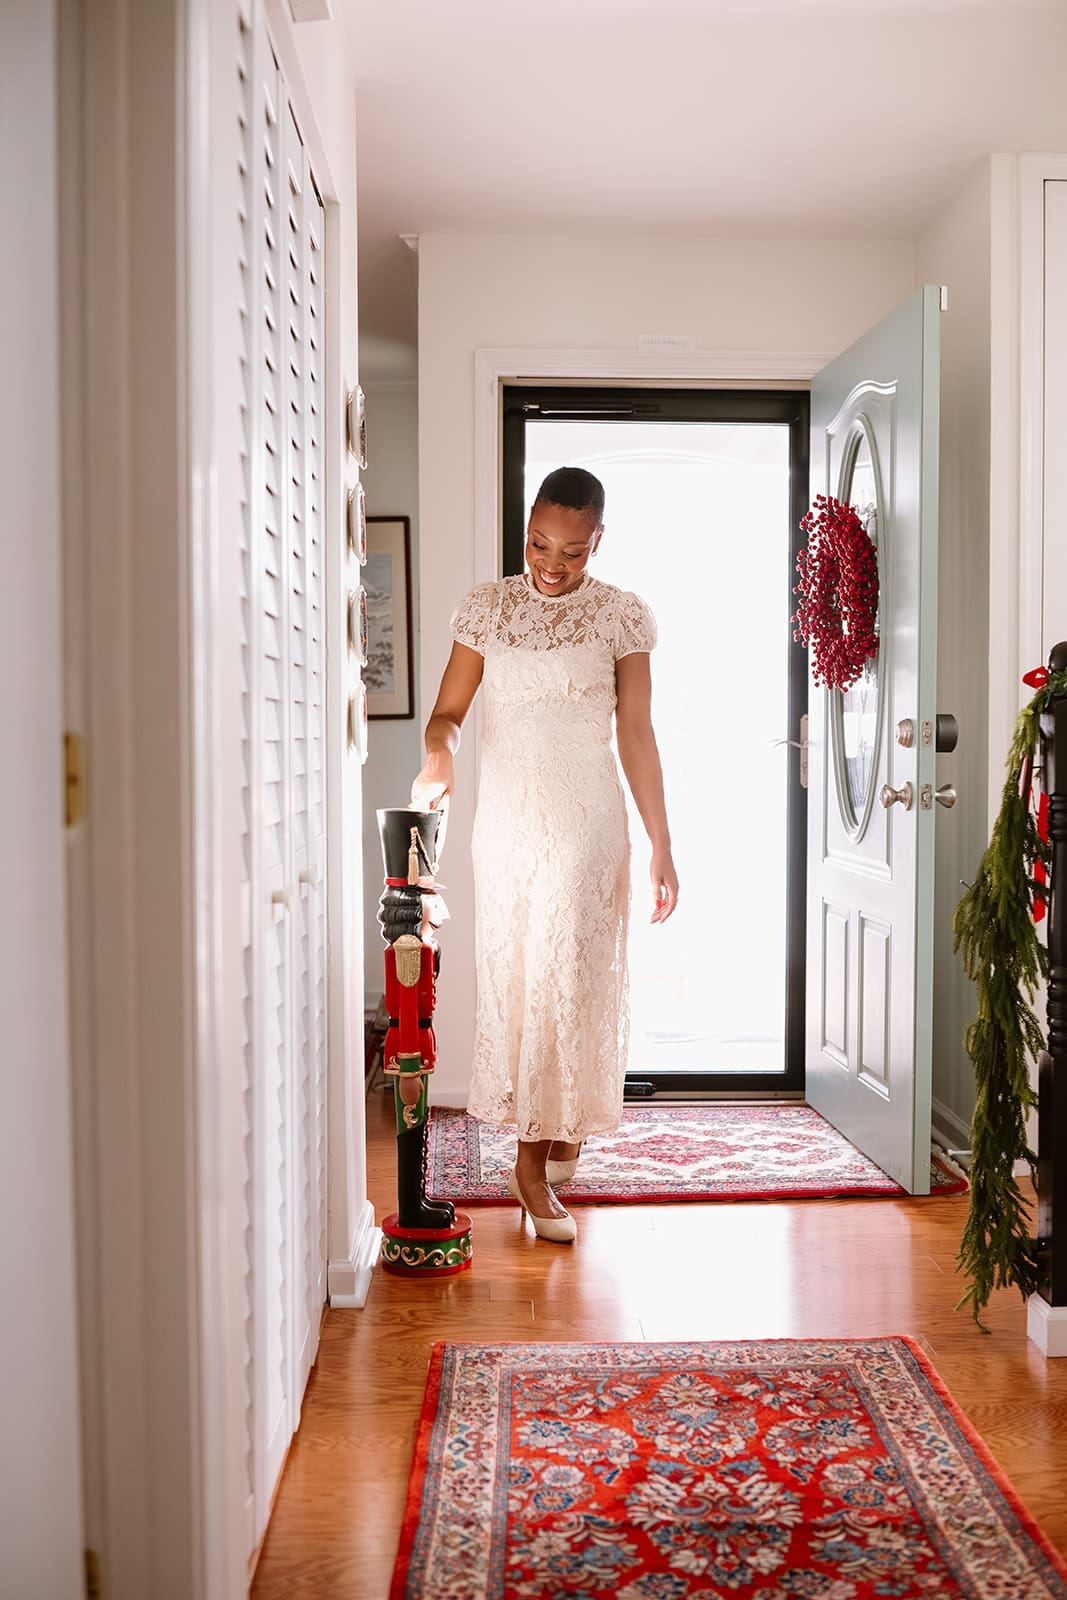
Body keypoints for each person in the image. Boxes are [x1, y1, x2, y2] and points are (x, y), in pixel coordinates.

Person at [411, 466, 677, 1242]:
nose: (551, 564)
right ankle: (535, 1160)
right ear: (524, 526)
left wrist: (662, 841)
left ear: (599, 541)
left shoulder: (621, 618)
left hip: (588, 823)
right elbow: (447, 714)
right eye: (537, 543)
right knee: (522, 978)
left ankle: (550, 1143)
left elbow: (636, 733)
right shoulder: (487, 607)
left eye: (572, 551)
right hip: (507, 827)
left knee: (575, 976)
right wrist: (439, 753)